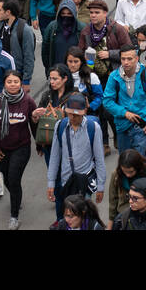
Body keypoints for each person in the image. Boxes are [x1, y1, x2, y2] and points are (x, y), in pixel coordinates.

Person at [0, 70, 38, 230]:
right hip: (2, 149)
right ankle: (17, 197)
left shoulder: (28, 101)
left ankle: (14, 216)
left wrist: (39, 144)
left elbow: (33, 123)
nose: (13, 84)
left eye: (16, 81)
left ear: (21, 83)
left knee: (14, 179)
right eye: (9, 82)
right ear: (4, 84)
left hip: (21, 147)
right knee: (7, 180)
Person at [45, 93, 106, 221]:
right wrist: (50, 183)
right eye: (70, 113)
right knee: (68, 219)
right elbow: (55, 157)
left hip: (85, 181)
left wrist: (101, 186)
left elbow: (99, 159)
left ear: (84, 111)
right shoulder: (60, 126)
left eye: (76, 114)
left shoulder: (93, 128)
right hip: (66, 180)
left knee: (85, 218)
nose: (72, 117)